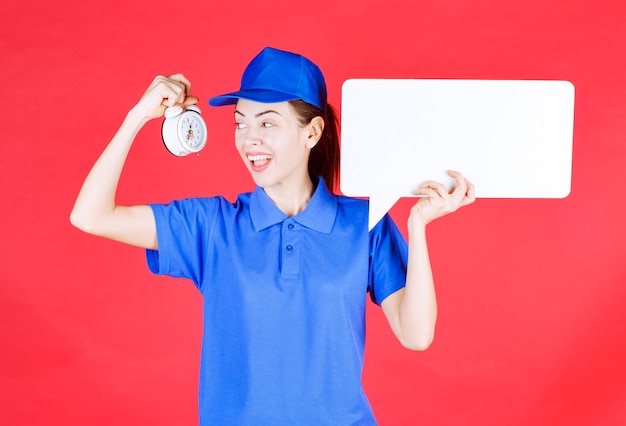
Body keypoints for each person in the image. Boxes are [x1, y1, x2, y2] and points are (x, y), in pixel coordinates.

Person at [70, 47, 475, 425]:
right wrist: (137, 116)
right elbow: (91, 217)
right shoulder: (212, 226)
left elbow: (416, 334)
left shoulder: (364, 223)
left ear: (312, 132)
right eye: (241, 124)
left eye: (267, 123)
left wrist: (417, 225)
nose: (250, 140)